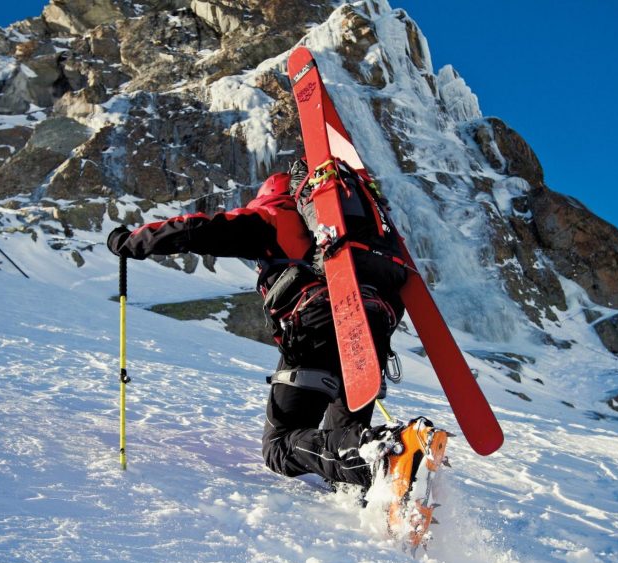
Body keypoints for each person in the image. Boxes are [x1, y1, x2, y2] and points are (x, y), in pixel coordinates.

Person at [107, 161, 412, 489]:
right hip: (373, 328)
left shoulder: (273, 216)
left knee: (279, 447)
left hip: (317, 325)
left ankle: (383, 455)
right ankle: (395, 469)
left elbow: (196, 230)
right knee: (345, 442)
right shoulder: (360, 233)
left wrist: (130, 242)